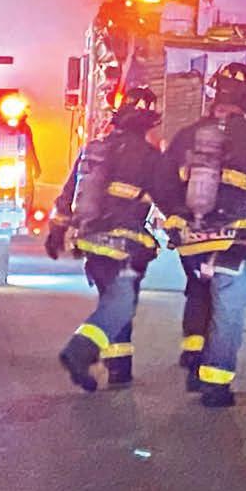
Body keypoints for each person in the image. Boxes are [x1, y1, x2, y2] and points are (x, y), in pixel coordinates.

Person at [154, 62, 246, 408]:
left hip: (190, 240)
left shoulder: (188, 135)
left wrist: (180, 214)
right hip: (231, 240)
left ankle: (194, 358)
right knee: (228, 304)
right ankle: (215, 385)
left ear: (214, 94)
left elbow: (161, 183)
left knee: (199, 288)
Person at [47, 87, 164, 392]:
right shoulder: (150, 157)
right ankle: (80, 351)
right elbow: (168, 197)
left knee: (114, 301)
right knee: (120, 305)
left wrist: (56, 231)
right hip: (125, 244)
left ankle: (120, 369)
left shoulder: (94, 150)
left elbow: (68, 194)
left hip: (91, 243)